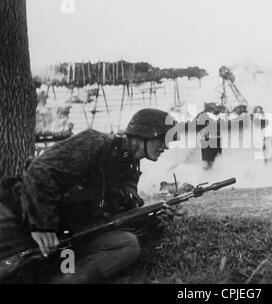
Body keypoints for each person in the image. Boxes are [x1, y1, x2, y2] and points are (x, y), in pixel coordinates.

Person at [20, 108, 181, 283]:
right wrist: (42, 225)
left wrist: (153, 221)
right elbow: (39, 170)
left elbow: (118, 216)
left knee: (128, 244)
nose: (165, 146)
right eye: (163, 139)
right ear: (144, 134)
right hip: (40, 234)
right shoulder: (95, 143)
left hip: (77, 237)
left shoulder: (130, 167)